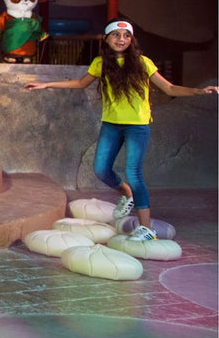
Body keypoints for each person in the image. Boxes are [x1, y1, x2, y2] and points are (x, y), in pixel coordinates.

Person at [25, 20, 217, 240]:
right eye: (116, 35)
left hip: (137, 126)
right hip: (111, 124)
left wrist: (198, 92)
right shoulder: (100, 63)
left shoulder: (143, 62)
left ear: (131, 40)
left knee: (134, 174)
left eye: (126, 35)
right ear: (106, 38)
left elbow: (169, 88)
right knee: (100, 169)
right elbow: (80, 83)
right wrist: (46, 84)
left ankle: (146, 229)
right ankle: (127, 193)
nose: (121, 39)